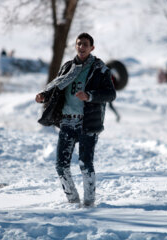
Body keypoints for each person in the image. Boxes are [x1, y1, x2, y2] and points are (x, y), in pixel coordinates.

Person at [35, 33, 116, 207]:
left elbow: (111, 94)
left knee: (85, 164)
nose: (81, 47)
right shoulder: (68, 67)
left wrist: (89, 96)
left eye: (85, 44)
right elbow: (57, 85)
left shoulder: (100, 69)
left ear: (92, 48)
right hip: (66, 121)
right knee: (61, 166)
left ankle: (89, 204)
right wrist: (44, 95)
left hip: (87, 122)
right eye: (79, 44)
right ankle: (72, 202)